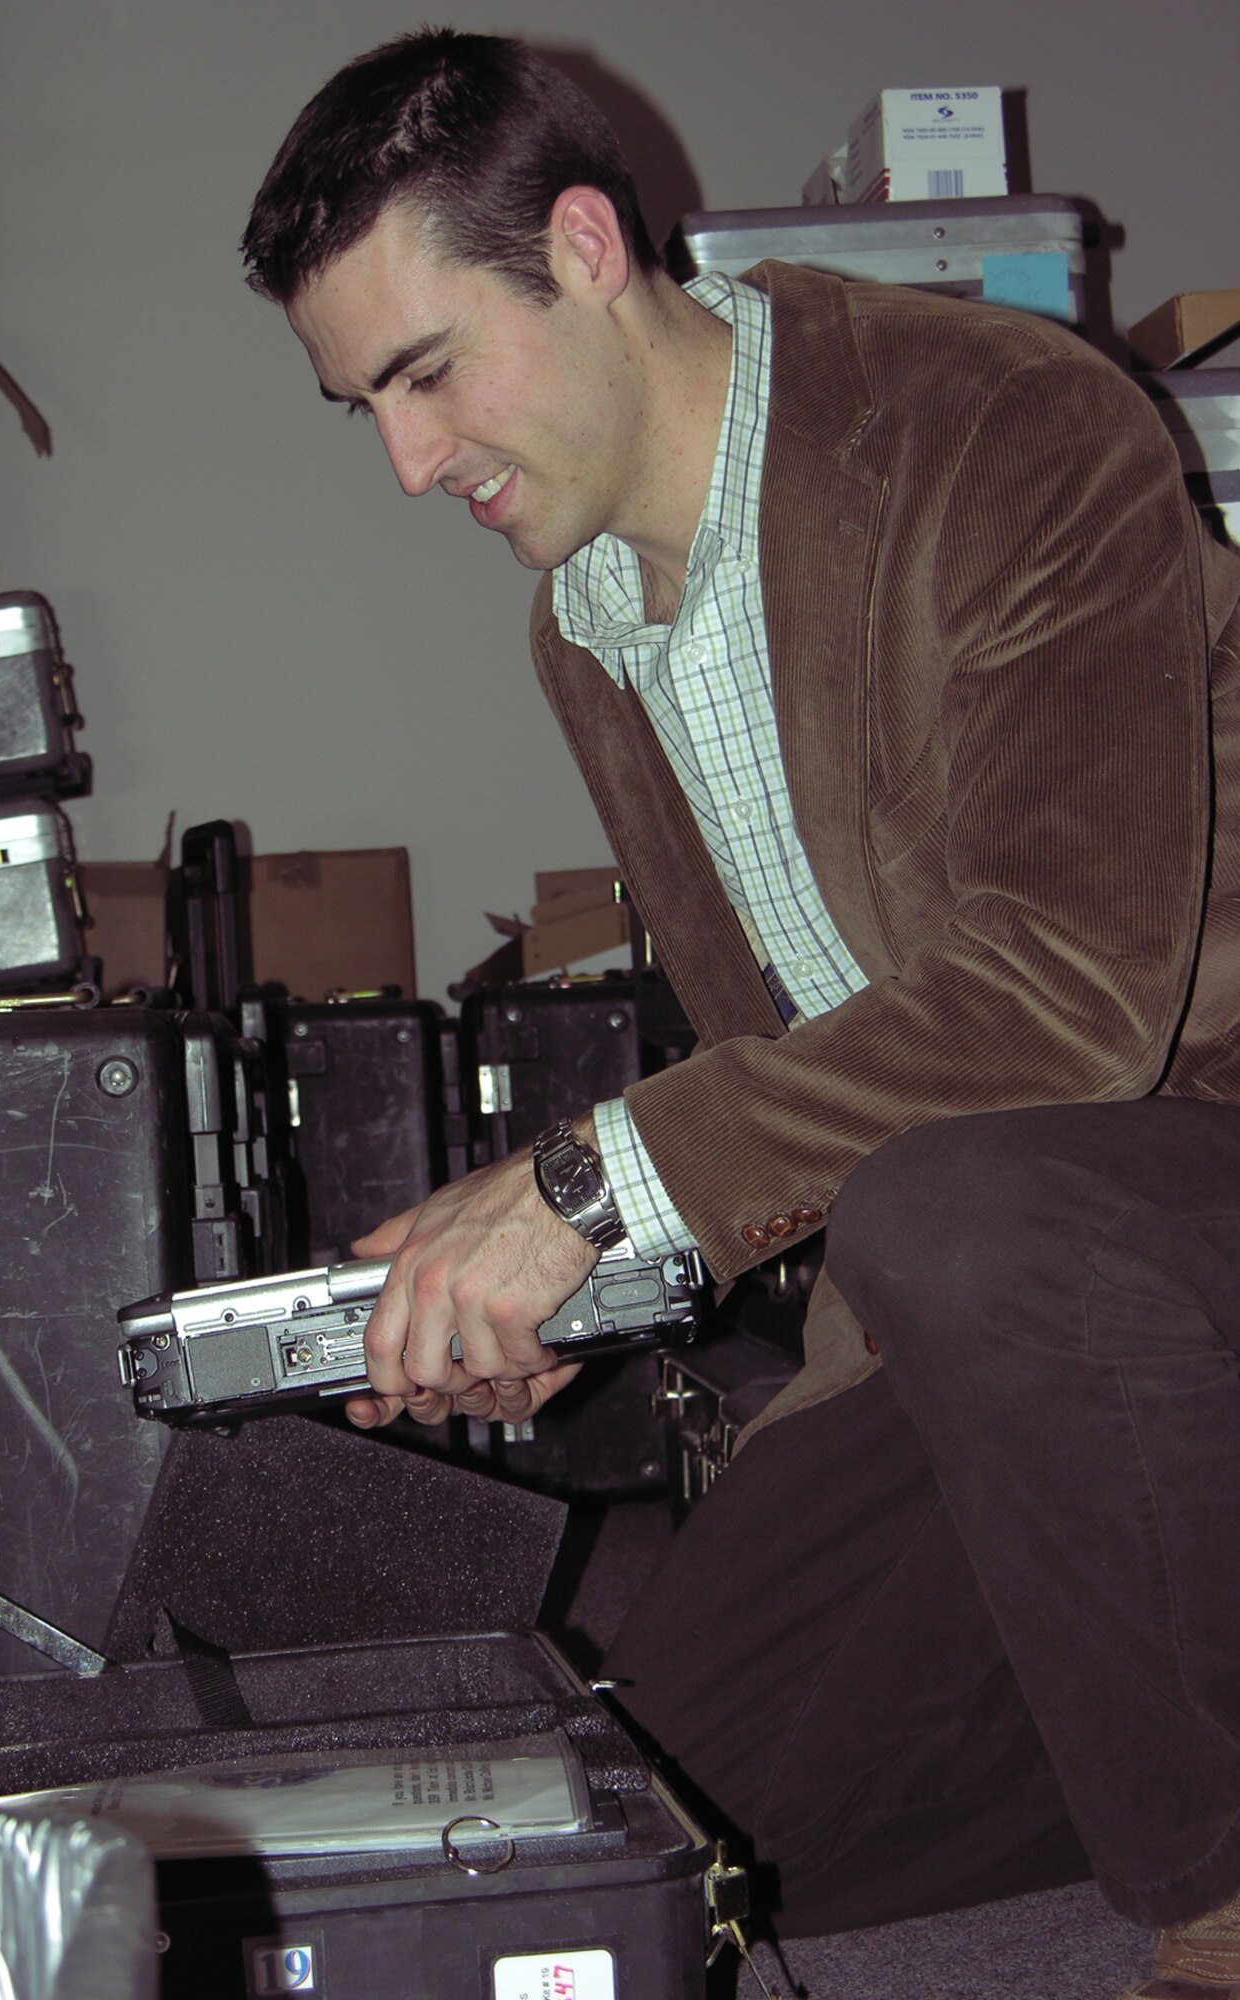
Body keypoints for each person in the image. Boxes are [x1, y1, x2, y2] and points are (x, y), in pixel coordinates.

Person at [242, 28, 1240, 1995]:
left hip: (1169, 1193)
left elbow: (1064, 1006)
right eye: (361, 403)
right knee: (687, 1820)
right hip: (993, 1306)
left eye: (427, 372)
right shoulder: (591, 631)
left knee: (964, 1206)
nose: (407, 459)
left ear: (590, 246)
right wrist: (580, 1290)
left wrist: (597, 1188)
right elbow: (799, 1070)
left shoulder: (1005, 425)